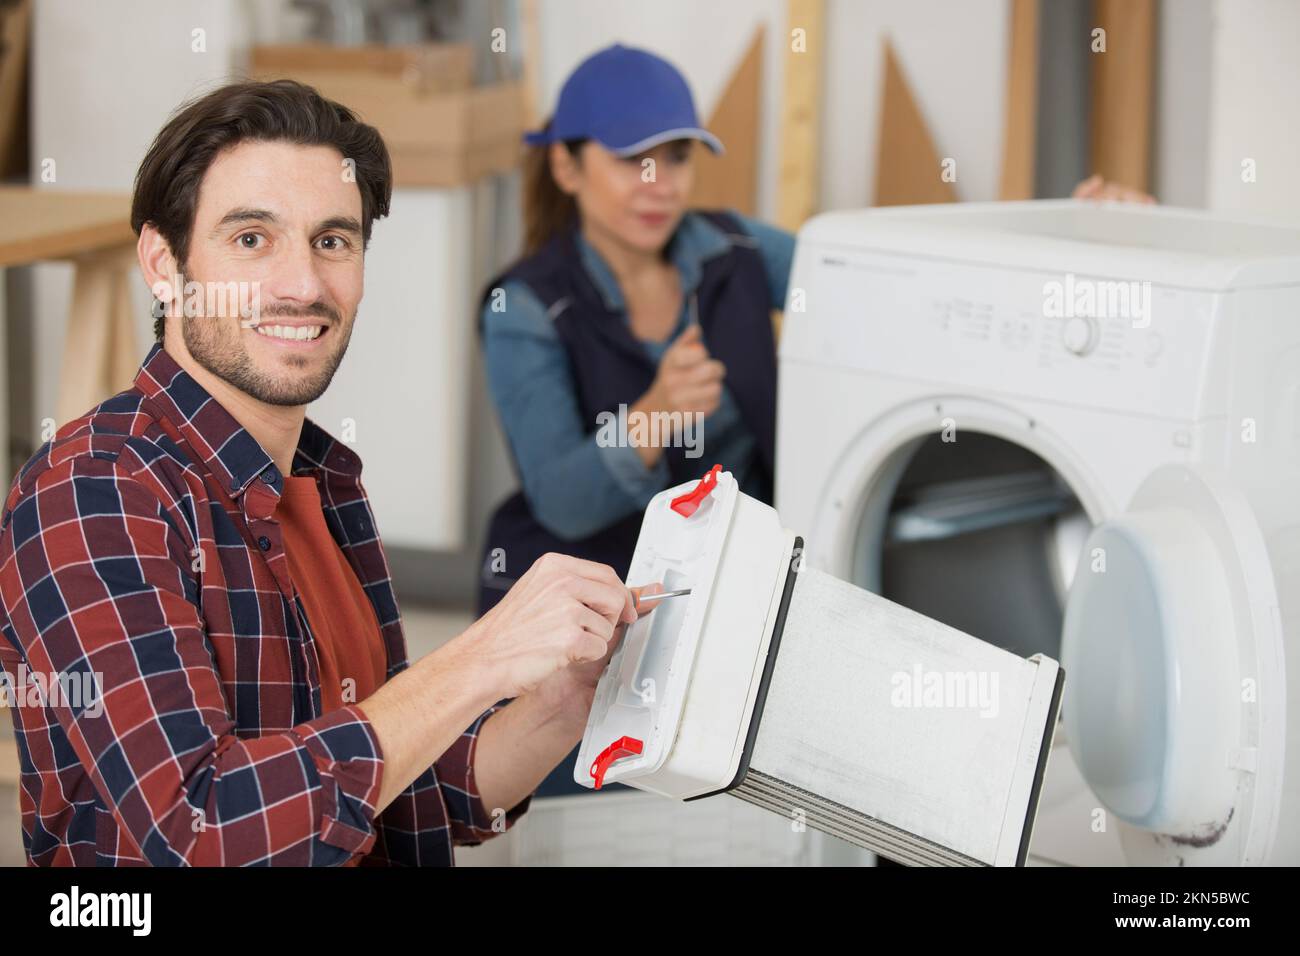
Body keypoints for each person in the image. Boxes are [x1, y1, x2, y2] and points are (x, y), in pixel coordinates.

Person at [0, 79, 662, 866]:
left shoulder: (323, 483)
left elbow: (406, 790)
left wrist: (564, 701)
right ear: (164, 263)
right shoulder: (93, 493)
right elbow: (200, 831)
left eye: (333, 241)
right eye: (252, 239)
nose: (303, 285)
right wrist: (481, 657)